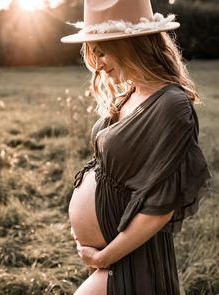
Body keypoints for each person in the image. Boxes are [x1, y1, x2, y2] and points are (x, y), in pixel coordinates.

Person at [61, 0, 211, 294]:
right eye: (94, 53)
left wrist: (105, 255)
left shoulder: (171, 105)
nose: (98, 65)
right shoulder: (131, 92)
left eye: (102, 51)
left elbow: (160, 207)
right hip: (117, 253)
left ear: (130, 44)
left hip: (134, 257)